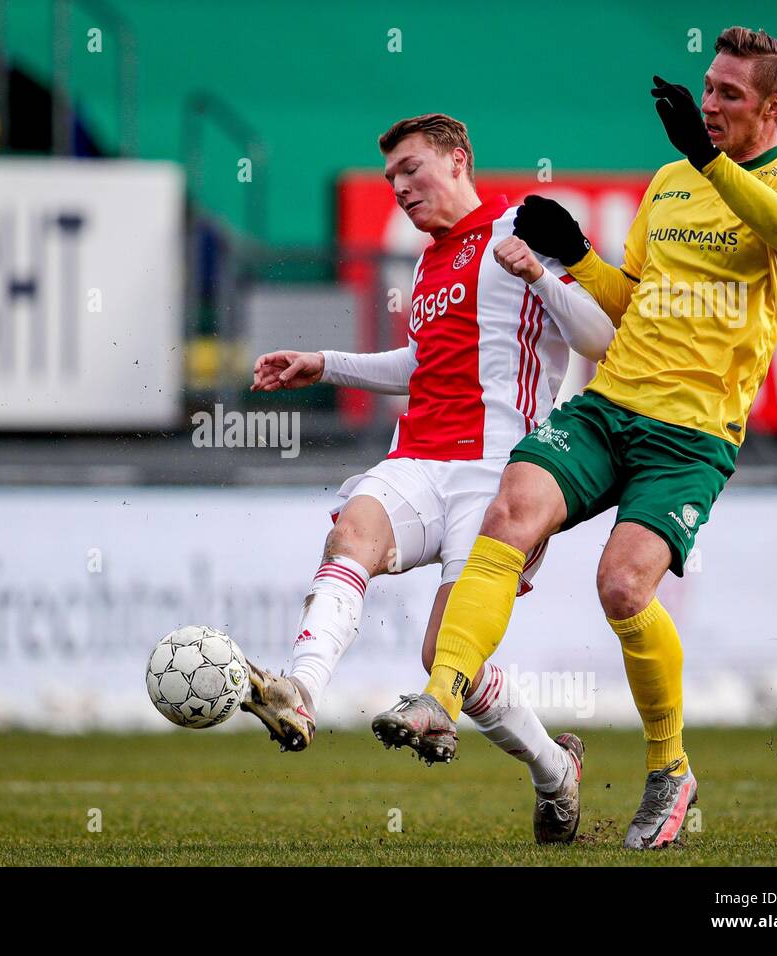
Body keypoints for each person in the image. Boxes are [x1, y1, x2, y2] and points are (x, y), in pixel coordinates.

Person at [379, 28, 777, 850]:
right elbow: (628, 303)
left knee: (623, 588)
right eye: (708, 88)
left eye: (730, 93)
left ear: (775, 105)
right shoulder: (668, 183)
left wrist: (712, 160)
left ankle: (670, 769)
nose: (711, 104)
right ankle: (440, 698)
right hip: (610, 404)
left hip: (691, 436)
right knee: (510, 510)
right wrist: (576, 255)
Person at [240, 113, 616, 843]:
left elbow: (598, 336)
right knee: (353, 532)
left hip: (502, 477)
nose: (400, 188)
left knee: (447, 660)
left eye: (411, 169)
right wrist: (325, 362)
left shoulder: (521, 228)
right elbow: (421, 364)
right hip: (418, 459)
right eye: (389, 179)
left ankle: (553, 771)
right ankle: (301, 692)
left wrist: (540, 272)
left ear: (456, 160)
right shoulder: (428, 261)